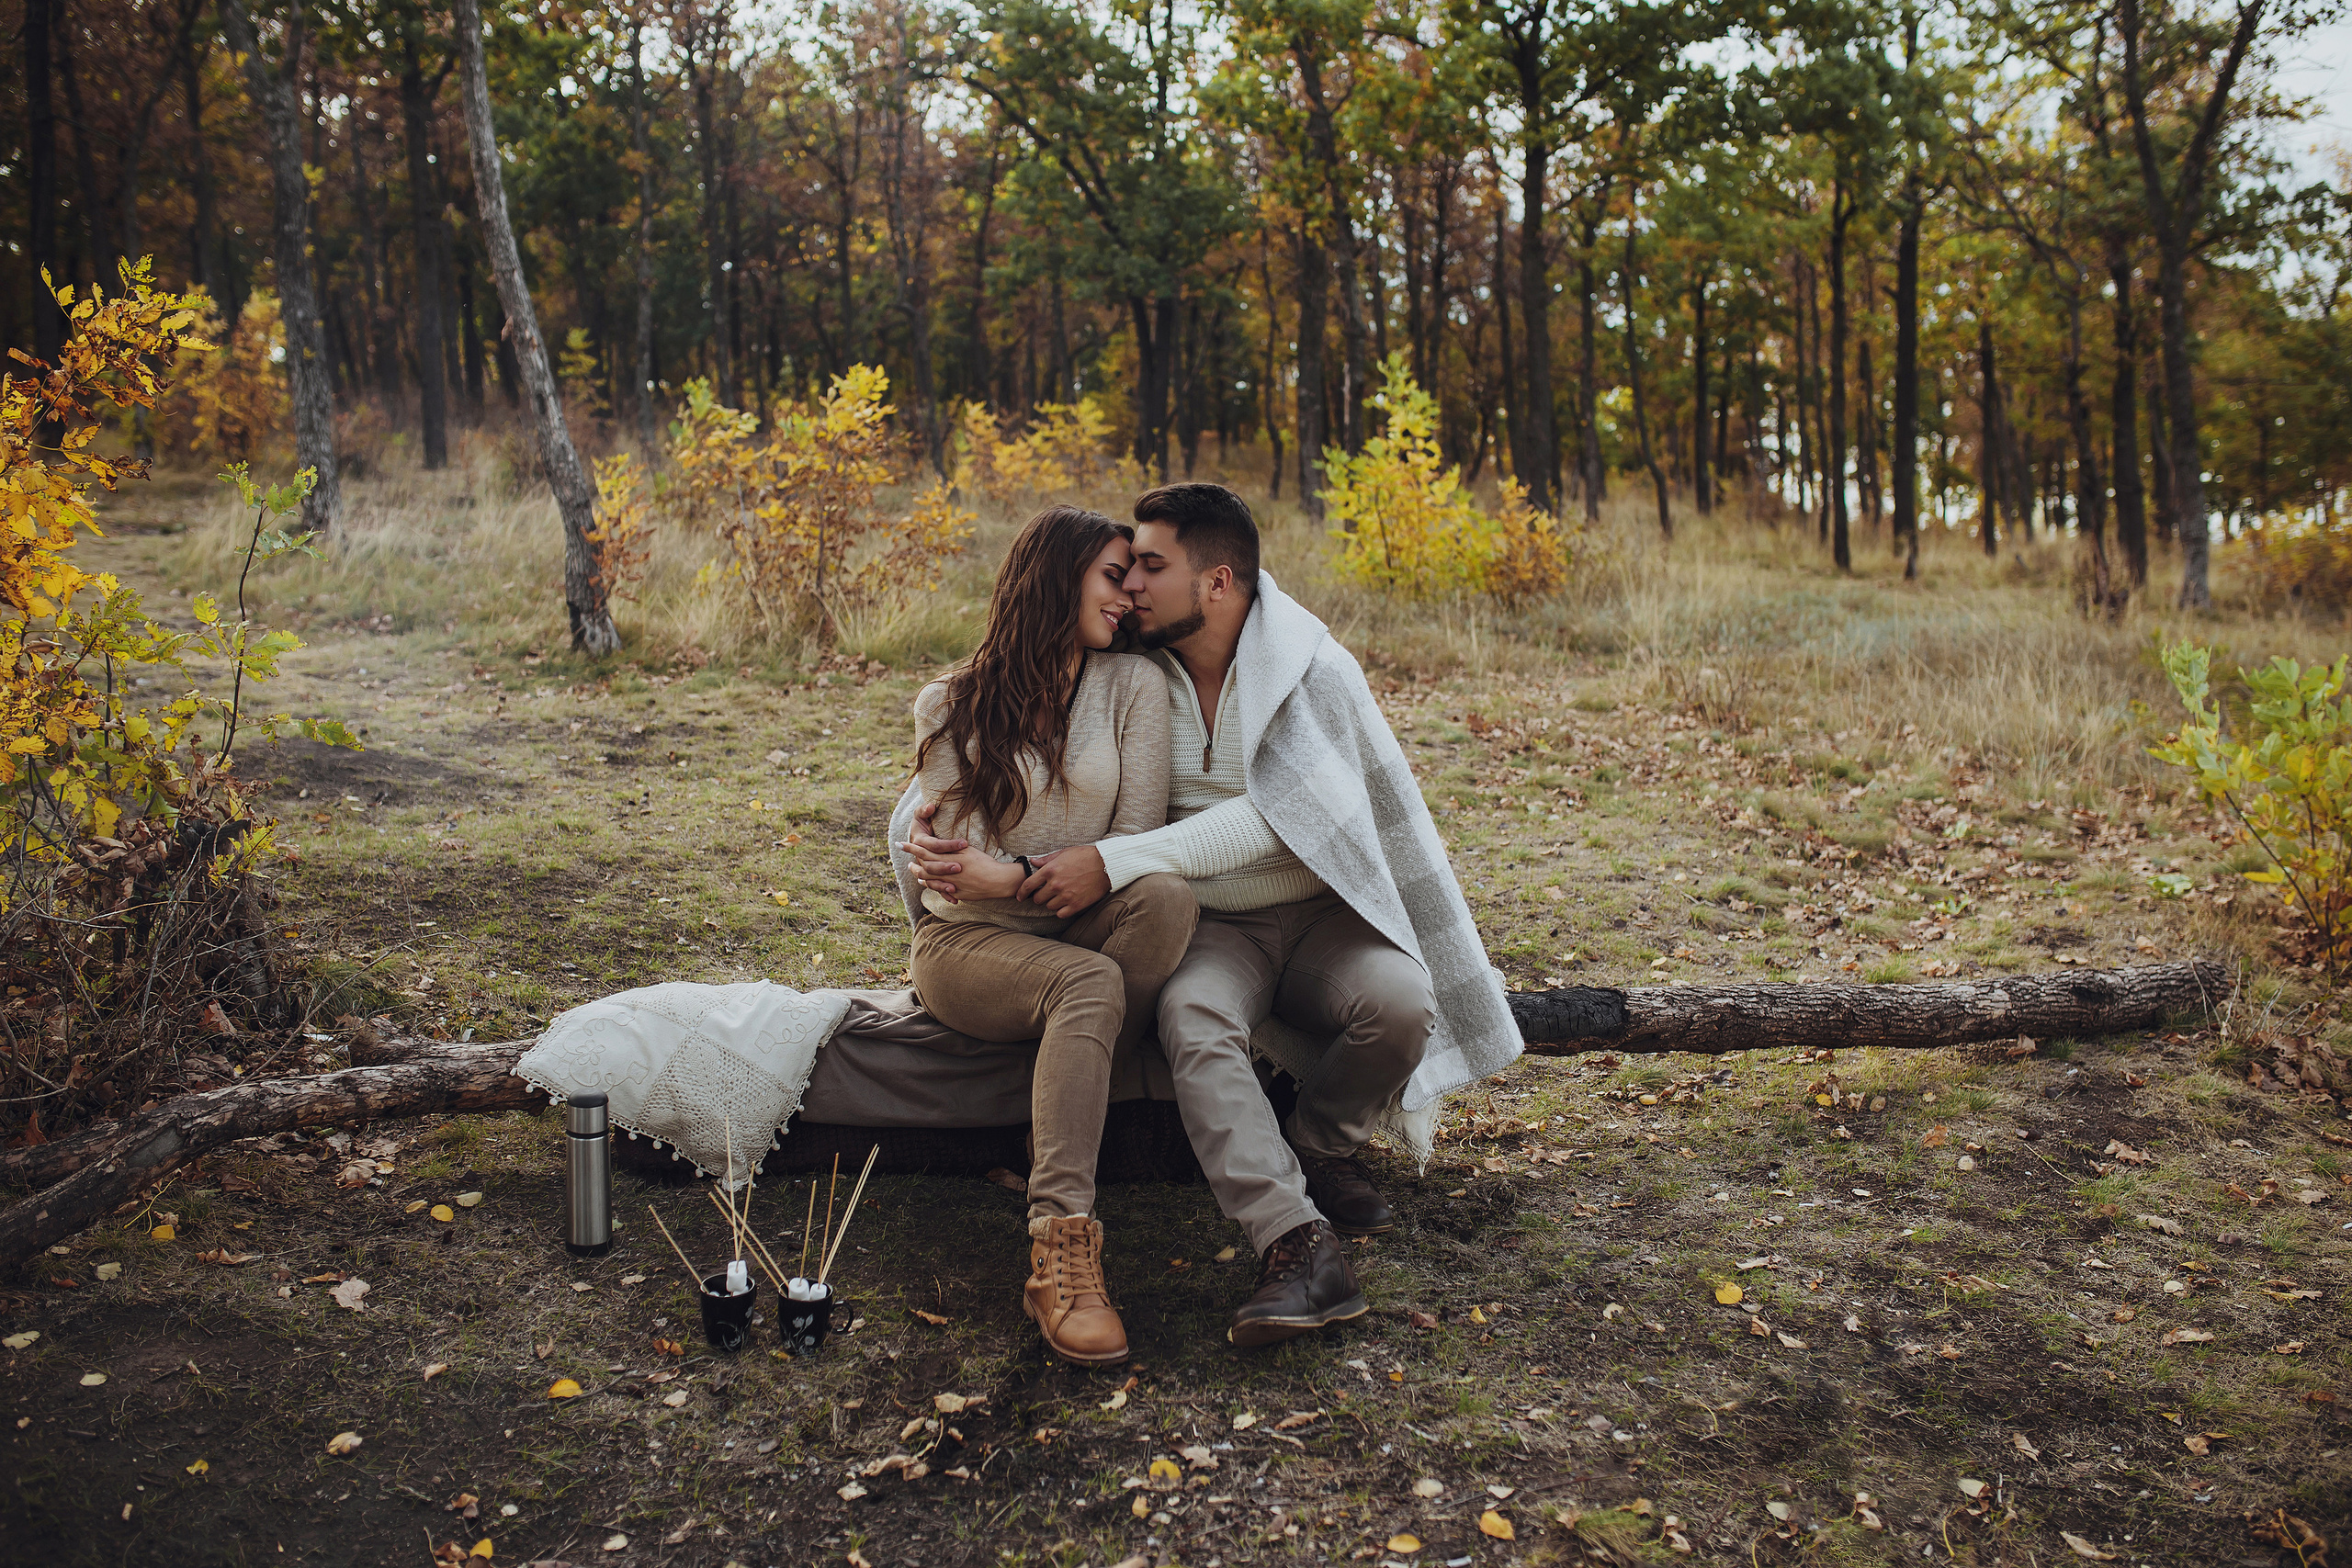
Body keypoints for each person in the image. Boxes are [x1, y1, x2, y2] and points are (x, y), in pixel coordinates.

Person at [907, 483, 1521, 1349]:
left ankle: (1319, 1144)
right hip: (1207, 926)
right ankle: (1296, 1241)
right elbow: (957, 805)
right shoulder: (1131, 669)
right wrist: (922, 833)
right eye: (1122, 572)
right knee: (1191, 1011)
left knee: (1402, 1003)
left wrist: (1058, 869)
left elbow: (1276, 814)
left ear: (1219, 580)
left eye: (1150, 568)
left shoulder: (1300, 669)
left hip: (1312, 913)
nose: (1133, 591)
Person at [900, 503, 1198, 1366]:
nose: (1129, 597)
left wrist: (1017, 870)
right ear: (1055, 577)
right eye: (1113, 576)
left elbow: (1135, 847)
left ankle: (1060, 1105)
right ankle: (1059, 1249)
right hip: (966, 948)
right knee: (1090, 983)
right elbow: (957, 884)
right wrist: (1016, 879)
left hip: (1072, 915)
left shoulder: (1132, 685)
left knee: (1169, 899)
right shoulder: (949, 702)